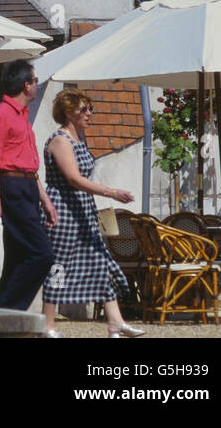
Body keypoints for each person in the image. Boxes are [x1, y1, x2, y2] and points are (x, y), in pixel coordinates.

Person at [42, 90, 143, 338]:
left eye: (91, 109)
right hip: (64, 210)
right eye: (84, 109)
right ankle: (47, 326)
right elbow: (74, 179)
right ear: (68, 112)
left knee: (100, 261)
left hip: (83, 209)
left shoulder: (79, 139)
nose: (89, 114)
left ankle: (115, 322)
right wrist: (111, 193)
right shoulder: (60, 140)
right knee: (58, 267)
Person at [0, 60, 57, 312]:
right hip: (11, 186)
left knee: (17, 257)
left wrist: (45, 200)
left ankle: (3, 318)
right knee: (42, 253)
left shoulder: (22, 118)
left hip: (27, 186)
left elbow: (30, 167)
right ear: (27, 85)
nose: (37, 85)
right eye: (35, 81)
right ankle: (13, 311)